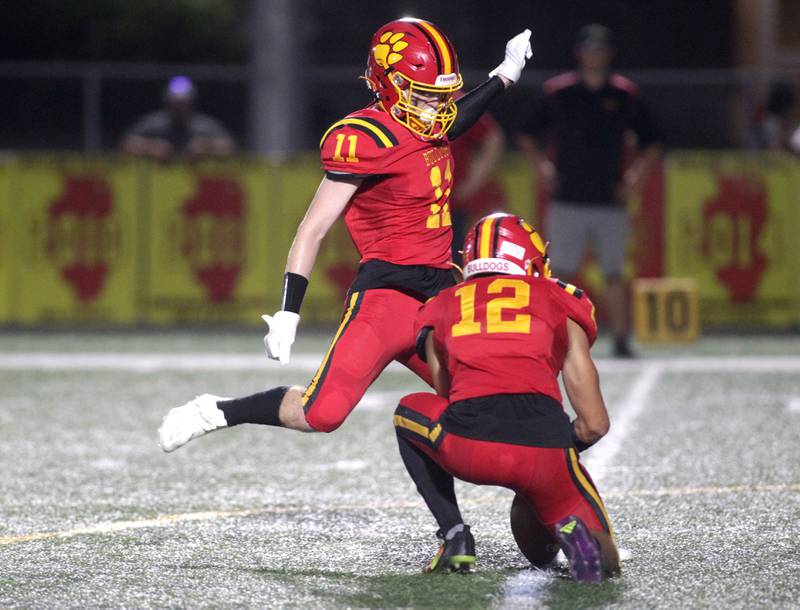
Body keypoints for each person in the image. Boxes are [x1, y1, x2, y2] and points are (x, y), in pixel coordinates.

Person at [158, 19, 533, 449]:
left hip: (440, 290)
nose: (436, 106)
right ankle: (216, 411)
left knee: (488, 397)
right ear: (389, 85)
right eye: (424, 94)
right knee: (321, 414)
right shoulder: (363, 138)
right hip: (388, 296)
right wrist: (288, 312)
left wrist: (506, 74)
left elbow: (459, 116)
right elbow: (312, 229)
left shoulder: (431, 120)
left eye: (440, 95)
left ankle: (452, 518)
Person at [392, 212, 619, 582]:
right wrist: (549, 454)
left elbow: (444, 393)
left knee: (407, 413)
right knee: (602, 560)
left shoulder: (442, 304)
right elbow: (595, 424)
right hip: (544, 444)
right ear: (530, 261)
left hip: (469, 444)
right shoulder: (561, 298)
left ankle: (454, 533)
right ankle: (577, 538)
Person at [518, 24, 663, 358]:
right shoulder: (559, 92)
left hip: (609, 198)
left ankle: (622, 338)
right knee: (562, 272)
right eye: (589, 49)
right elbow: (526, 133)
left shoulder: (625, 94)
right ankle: (556, 334)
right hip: (567, 197)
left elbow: (653, 141)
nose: (594, 56)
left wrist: (636, 177)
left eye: (600, 49)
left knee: (613, 271)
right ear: (579, 53)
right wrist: (541, 167)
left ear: (608, 54)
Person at [121, 75, 235, 161]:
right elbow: (126, 144)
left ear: (191, 103)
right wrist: (151, 147)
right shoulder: (154, 124)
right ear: (168, 103)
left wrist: (205, 146)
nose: (180, 108)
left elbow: (229, 147)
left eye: (184, 103)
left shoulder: (205, 126)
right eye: (176, 103)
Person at [448, 97, 506, 265]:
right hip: (405, 207)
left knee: (451, 267)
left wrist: (473, 181)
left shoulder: (455, 102)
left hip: (448, 207)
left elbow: (493, 138)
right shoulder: (396, 101)